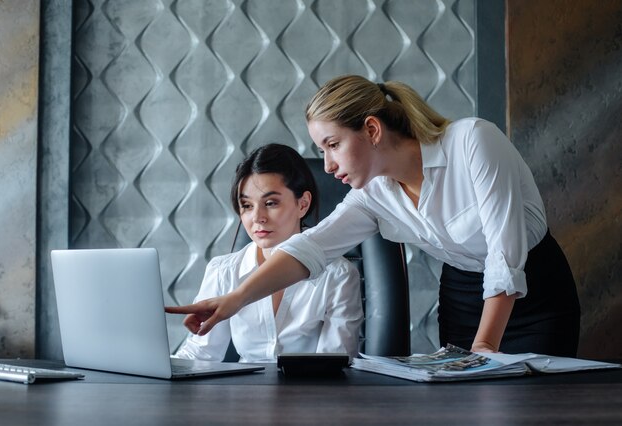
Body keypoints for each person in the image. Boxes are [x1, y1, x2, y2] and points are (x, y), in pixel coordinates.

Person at [166, 75, 581, 357]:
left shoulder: (473, 141)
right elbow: (308, 248)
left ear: (372, 129)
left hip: (534, 287)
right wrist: (235, 299)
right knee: (471, 409)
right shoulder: (372, 195)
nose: (326, 165)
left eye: (332, 145)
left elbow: (505, 259)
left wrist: (484, 351)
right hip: (463, 294)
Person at [172, 143, 363, 362]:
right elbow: (199, 354)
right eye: (246, 205)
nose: (257, 217)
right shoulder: (223, 271)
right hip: (244, 393)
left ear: (303, 204)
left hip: (311, 393)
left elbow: (334, 364)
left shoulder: (337, 274)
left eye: (271, 203)